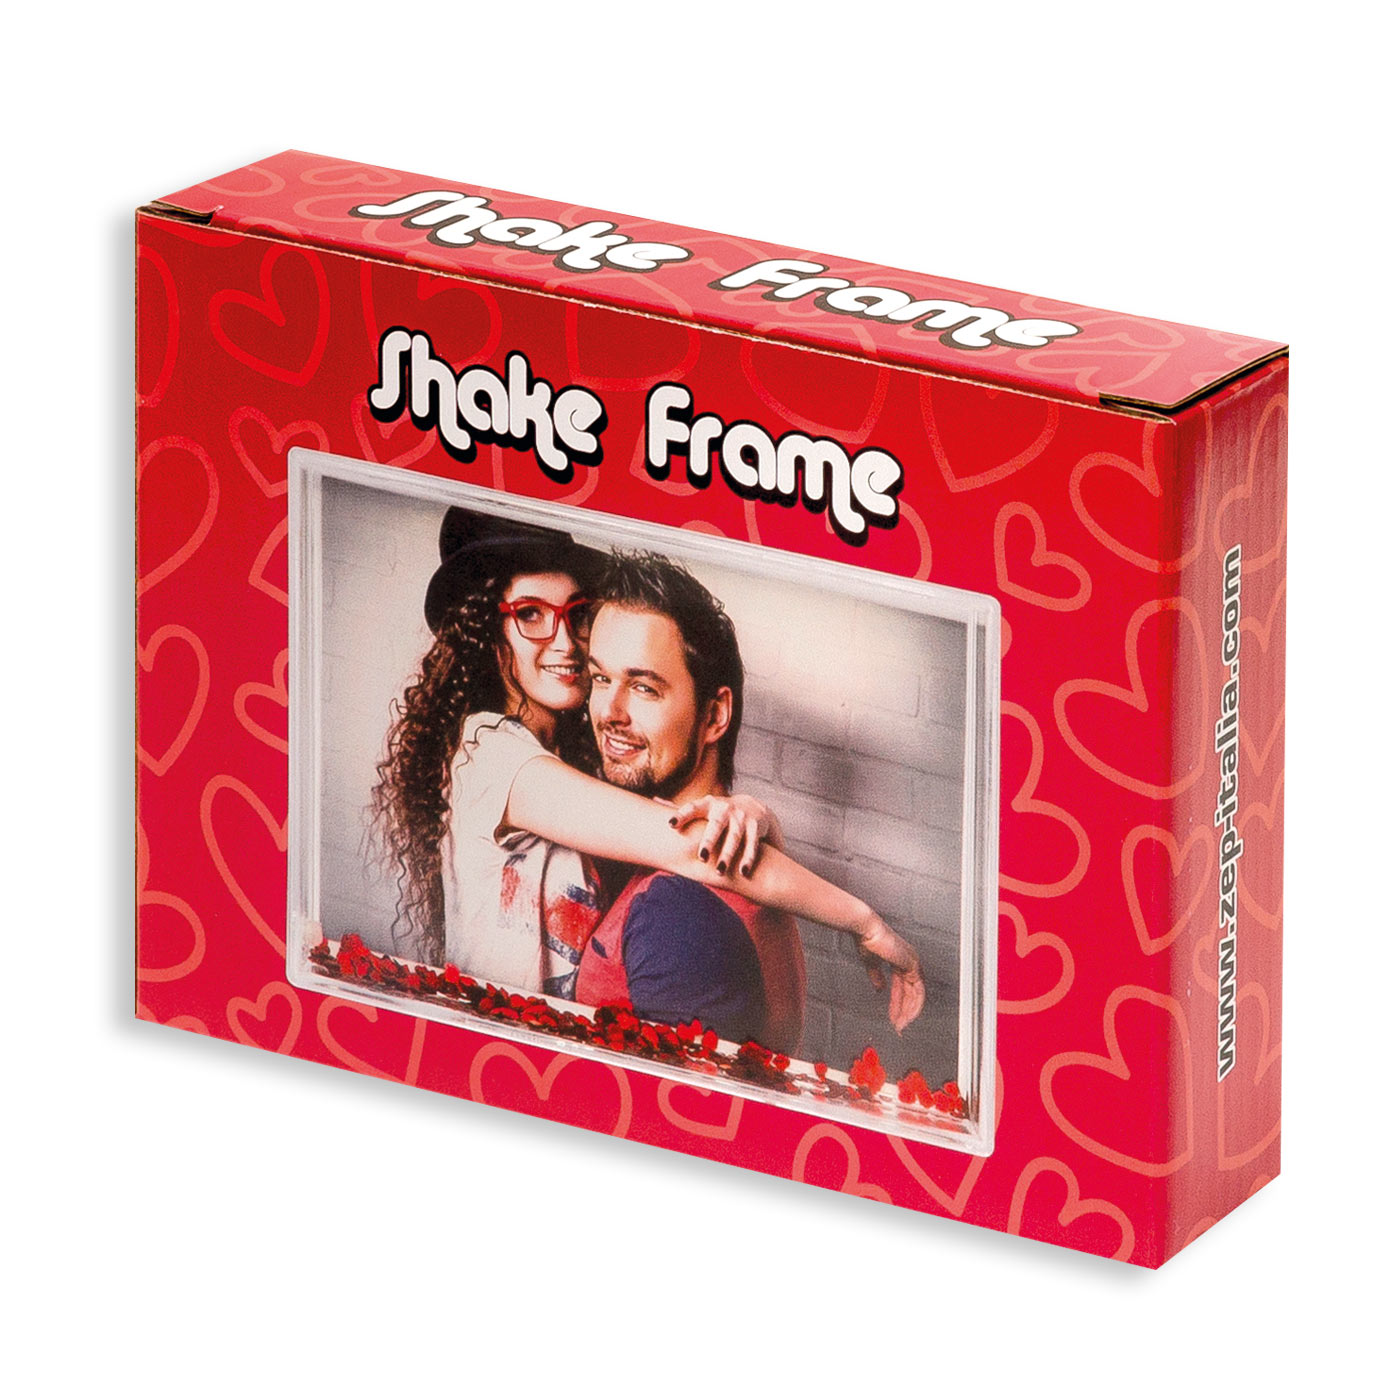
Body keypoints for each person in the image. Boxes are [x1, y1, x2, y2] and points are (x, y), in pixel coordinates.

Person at [372, 506, 924, 1031]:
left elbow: (676, 833)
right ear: (487, 632)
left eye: (576, 614)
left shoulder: (575, 764)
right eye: (531, 615)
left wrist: (753, 815)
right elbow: (687, 847)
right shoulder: (492, 754)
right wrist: (864, 921)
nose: (564, 642)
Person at [575, 552, 807, 1051]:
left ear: (715, 715)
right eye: (600, 679)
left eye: (643, 688)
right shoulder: (729, 869)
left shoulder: (676, 907)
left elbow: (678, 1096)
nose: (609, 712)